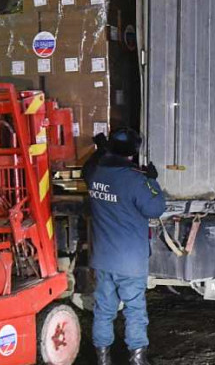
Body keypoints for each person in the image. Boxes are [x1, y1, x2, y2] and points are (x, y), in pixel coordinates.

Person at [83, 128, 166, 365]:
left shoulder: (95, 174)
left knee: (103, 310)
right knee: (134, 310)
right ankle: (137, 359)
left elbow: (86, 170)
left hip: (103, 258)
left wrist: (101, 151)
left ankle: (103, 359)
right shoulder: (136, 179)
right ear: (133, 152)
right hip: (129, 261)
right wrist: (152, 180)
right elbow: (156, 208)